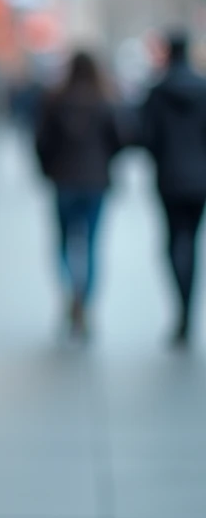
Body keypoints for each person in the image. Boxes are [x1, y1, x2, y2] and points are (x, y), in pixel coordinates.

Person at [34, 51, 123, 340]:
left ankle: (71, 293)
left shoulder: (55, 100)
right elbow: (120, 139)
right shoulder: (104, 101)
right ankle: (83, 300)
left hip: (64, 181)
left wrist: (48, 169)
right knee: (91, 245)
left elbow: (42, 141)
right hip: (96, 182)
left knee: (63, 243)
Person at [141, 30, 206, 347]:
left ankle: (181, 311)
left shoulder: (157, 91)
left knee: (172, 242)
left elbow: (145, 136)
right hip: (200, 179)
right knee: (191, 242)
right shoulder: (204, 88)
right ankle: (188, 310)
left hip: (168, 178)